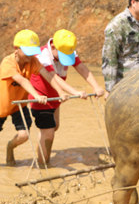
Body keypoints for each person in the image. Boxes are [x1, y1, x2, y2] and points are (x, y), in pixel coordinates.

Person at [0, 29, 69, 166]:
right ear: (16, 49)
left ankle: (10, 147)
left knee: (24, 135)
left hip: (18, 105)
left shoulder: (32, 61)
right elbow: (22, 81)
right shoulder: (7, 63)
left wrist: (60, 92)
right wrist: (38, 95)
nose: (31, 55)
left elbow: (48, 75)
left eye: (33, 52)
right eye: (28, 51)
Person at [30, 29, 106, 167]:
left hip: (57, 98)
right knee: (48, 133)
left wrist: (96, 87)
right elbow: (55, 78)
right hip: (42, 98)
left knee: (54, 127)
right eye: (62, 55)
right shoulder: (42, 55)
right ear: (53, 47)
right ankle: (43, 166)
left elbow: (81, 68)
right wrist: (75, 92)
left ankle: (42, 155)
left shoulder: (67, 49)